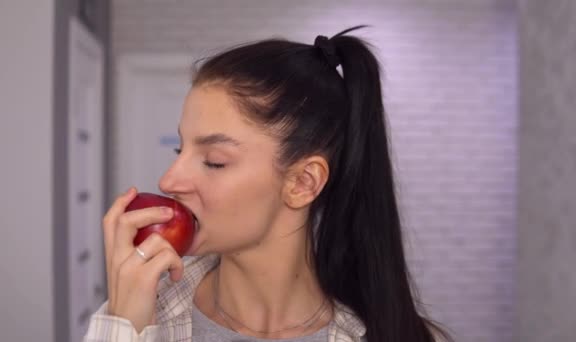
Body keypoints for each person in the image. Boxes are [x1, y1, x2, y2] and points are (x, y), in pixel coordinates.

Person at [84, 25, 452, 342]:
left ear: (303, 183)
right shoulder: (142, 316)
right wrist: (125, 323)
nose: (168, 180)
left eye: (214, 161)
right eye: (180, 149)